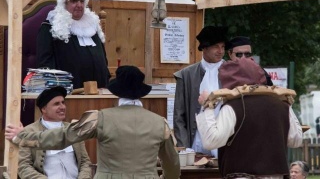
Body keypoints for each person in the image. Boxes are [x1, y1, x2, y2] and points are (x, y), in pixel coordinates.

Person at [6, 66, 180, 179]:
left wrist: (22, 137)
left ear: (117, 91)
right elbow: (172, 166)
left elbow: (62, 137)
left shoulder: (99, 118)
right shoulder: (160, 123)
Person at [196, 57, 303, 178]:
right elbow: (296, 140)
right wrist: (287, 104)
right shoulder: (282, 106)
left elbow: (211, 140)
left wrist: (207, 106)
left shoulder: (233, 107)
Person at [36, 0, 111, 89]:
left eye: (82, 1)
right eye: (74, 1)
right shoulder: (50, 27)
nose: (79, 5)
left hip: (99, 92)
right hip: (67, 96)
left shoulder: (93, 25)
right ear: (64, 2)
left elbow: (104, 61)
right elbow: (46, 66)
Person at [5, 86, 92, 179]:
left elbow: (85, 162)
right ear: (44, 109)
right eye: (56, 104)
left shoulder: (74, 129)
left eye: (63, 102)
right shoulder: (29, 131)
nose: (62, 107)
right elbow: (24, 167)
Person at [173, 25, 228, 156]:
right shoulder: (186, 75)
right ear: (204, 48)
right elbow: (179, 115)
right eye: (216, 46)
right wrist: (184, 148)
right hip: (196, 142)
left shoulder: (233, 72)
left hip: (225, 141)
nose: (220, 51)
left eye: (223, 47)